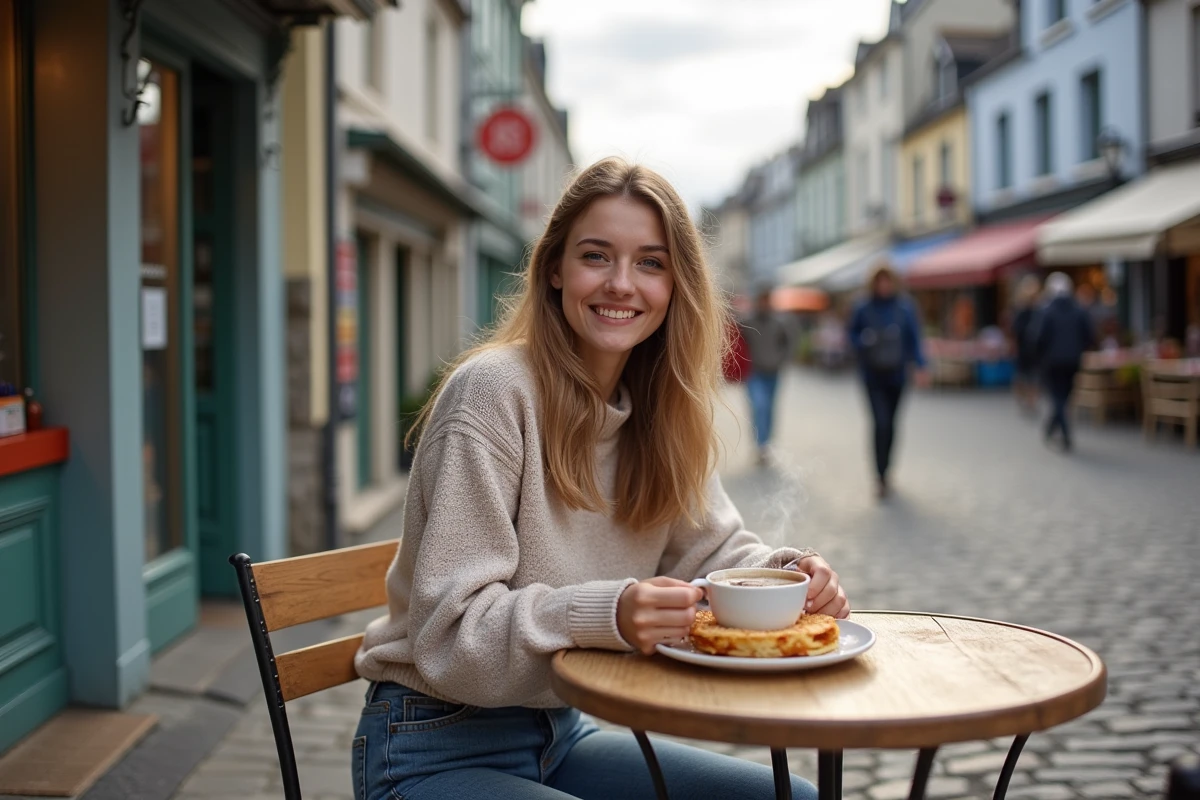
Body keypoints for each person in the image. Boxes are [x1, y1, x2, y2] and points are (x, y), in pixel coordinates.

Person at [352, 158, 848, 800]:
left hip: (561, 736)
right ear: (554, 269)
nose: (622, 284)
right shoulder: (492, 396)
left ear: (676, 286)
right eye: (596, 256)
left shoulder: (661, 410)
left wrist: (787, 576)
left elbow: (715, 553)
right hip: (430, 744)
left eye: (650, 262)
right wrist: (606, 612)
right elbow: (451, 634)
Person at [847, 262, 928, 499]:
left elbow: (914, 338)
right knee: (880, 423)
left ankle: (888, 470)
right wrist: (865, 340)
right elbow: (851, 336)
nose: (884, 285)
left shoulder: (904, 308)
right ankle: (879, 474)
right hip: (872, 376)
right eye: (880, 281)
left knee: (891, 424)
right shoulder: (863, 307)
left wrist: (921, 365)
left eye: (887, 281)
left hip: (897, 374)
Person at [1034, 272, 1096, 452]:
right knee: (1064, 396)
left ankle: (1064, 433)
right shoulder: (1079, 310)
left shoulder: (1046, 311)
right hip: (1073, 360)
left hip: (1051, 362)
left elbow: (1037, 338)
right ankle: (1051, 428)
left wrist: (1040, 356)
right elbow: (1089, 336)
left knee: (1057, 397)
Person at [739, 288, 793, 465]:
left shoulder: (779, 323)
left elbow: (787, 344)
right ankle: (760, 444)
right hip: (754, 373)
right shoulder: (747, 322)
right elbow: (736, 342)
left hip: (773, 372)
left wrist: (781, 360)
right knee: (759, 406)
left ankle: (766, 443)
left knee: (769, 409)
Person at [1010, 275, 1042, 416]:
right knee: (1023, 377)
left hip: (1034, 351)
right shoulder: (1021, 312)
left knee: (1033, 378)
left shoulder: (1039, 312)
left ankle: (1031, 401)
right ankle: (1024, 398)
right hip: (1024, 351)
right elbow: (1015, 331)